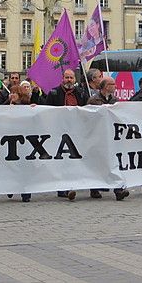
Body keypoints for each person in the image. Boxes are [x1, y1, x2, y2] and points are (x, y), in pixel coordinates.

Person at [43, 69, 89, 201]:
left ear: (75, 79)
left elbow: (87, 108)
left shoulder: (81, 93)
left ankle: (72, 185)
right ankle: (62, 188)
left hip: (76, 131)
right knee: (61, 160)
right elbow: (47, 111)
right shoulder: (54, 93)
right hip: (59, 131)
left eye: (71, 78)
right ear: (62, 79)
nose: (69, 80)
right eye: (67, 77)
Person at [86, 77, 130, 201]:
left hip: (112, 136)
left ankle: (118, 190)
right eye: (112, 84)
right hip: (98, 137)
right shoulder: (94, 100)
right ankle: (94, 188)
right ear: (105, 86)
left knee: (114, 163)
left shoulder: (114, 100)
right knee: (98, 163)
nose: (115, 86)